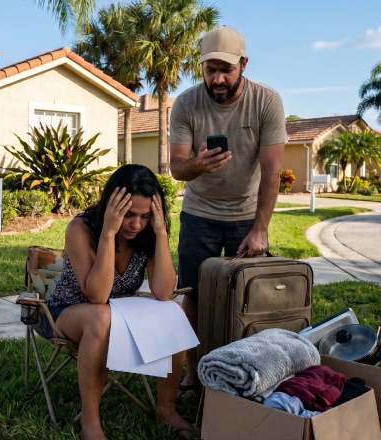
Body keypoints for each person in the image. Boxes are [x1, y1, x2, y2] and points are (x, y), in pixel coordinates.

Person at [167, 25, 288, 398]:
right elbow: (176, 168)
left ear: (243, 65)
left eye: (225, 69)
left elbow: (271, 173)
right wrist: (197, 165)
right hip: (199, 214)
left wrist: (260, 228)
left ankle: (249, 372)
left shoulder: (266, 101)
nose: (217, 79)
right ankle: (192, 373)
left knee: (251, 296)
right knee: (195, 296)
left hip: (246, 217)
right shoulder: (186, 104)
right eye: (209, 70)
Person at [46, 164, 192, 440]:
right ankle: (90, 423)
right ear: (111, 206)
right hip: (67, 312)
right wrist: (108, 234)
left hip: (120, 314)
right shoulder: (81, 228)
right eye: (128, 214)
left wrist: (160, 233)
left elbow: (163, 291)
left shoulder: (146, 233)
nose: (136, 224)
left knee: (173, 312)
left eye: (145, 215)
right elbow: (98, 296)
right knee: (100, 315)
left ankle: (167, 410)